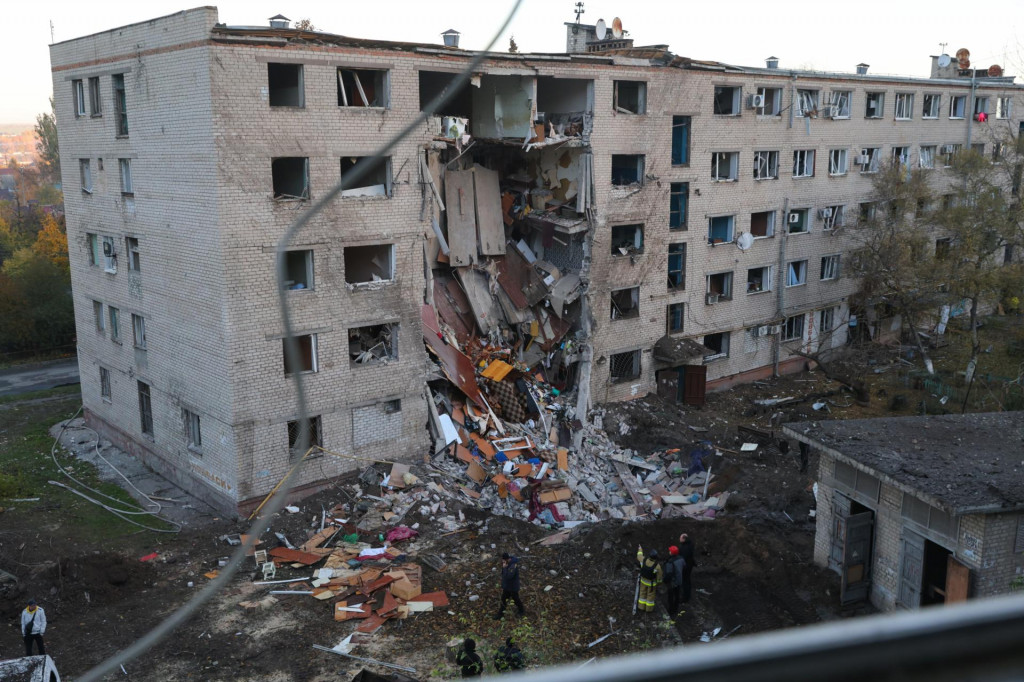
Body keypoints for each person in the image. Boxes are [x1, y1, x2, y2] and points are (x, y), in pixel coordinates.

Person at [494, 552, 525, 619]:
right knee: (503, 600)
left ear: (507, 559)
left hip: (513, 587)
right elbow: (503, 574)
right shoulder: (507, 564)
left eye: (504, 560)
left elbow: (508, 576)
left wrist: (504, 568)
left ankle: (521, 611)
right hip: (507, 587)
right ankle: (500, 614)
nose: (503, 562)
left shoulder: (513, 565)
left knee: (516, 600)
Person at [635, 546, 663, 613]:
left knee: (642, 594)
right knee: (650, 597)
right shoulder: (657, 566)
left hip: (643, 581)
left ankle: (641, 607)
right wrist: (659, 583)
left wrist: (640, 549)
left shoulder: (643, 560)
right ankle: (648, 610)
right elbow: (659, 577)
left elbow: (639, 556)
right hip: (651, 584)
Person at [663, 545, 686, 622]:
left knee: (671, 595)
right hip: (679, 580)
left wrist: (665, 580)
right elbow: (684, 567)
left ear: (672, 553)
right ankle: (676, 608)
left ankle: (671, 610)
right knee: (677, 594)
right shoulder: (681, 559)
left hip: (672, 582)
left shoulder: (670, 562)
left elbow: (669, 574)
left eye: (670, 551)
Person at [678, 533, 697, 603]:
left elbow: (683, 558)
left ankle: (685, 598)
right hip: (689, 565)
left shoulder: (684, 547)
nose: (679, 539)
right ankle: (687, 595)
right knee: (687, 580)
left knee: (685, 581)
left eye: (680, 538)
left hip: (685, 566)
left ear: (684, 538)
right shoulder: (690, 544)